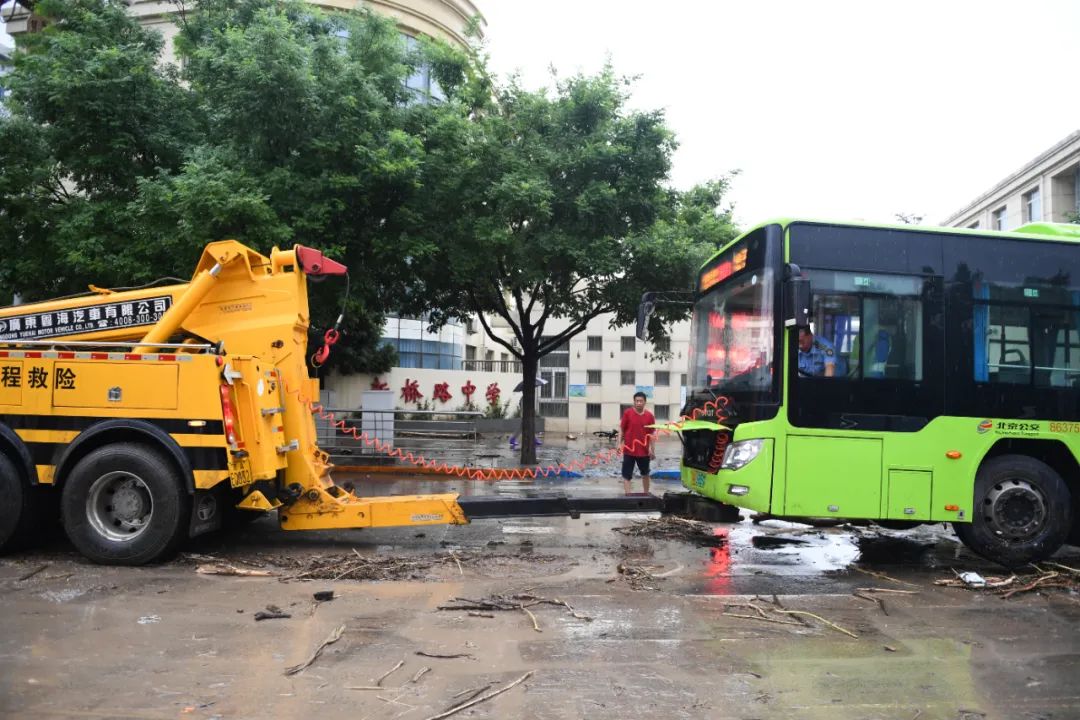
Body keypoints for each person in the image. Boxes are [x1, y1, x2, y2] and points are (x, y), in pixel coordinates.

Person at [618, 391, 656, 495]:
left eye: (641, 401)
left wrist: (652, 450)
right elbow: (622, 429)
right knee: (626, 474)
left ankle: (646, 494)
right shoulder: (628, 413)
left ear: (645, 402)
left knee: (646, 473)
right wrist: (618, 444)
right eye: (637, 401)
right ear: (634, 402)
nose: (639, 403)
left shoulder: (650, 416)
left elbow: (652, 434)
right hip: (629, 451)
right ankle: (627, 495)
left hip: (643, 452)